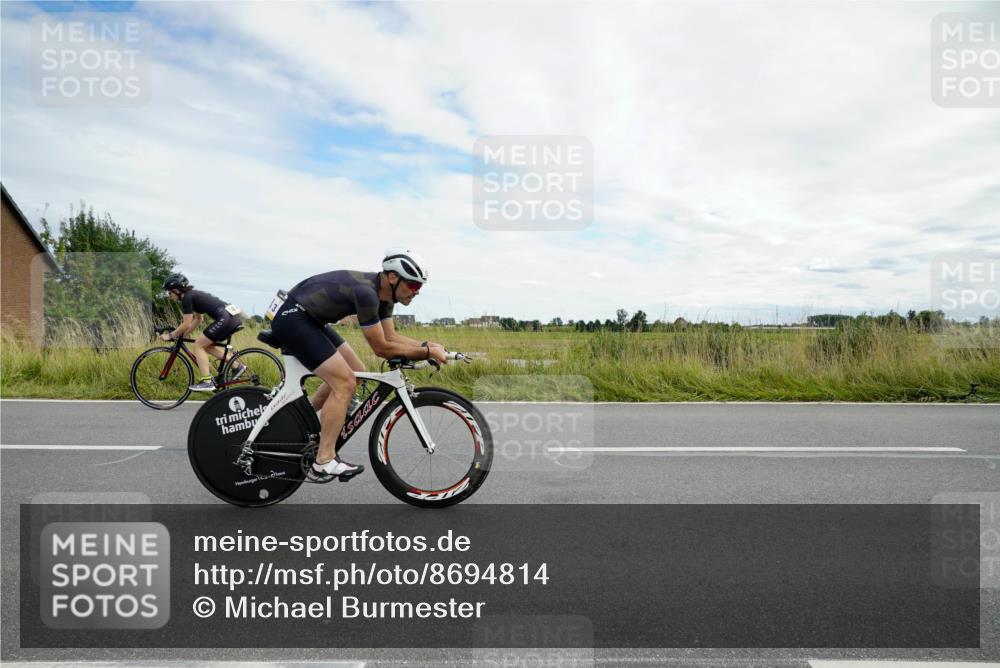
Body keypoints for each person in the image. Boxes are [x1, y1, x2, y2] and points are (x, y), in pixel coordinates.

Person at [269, 249, 448, 480]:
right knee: (344, 383)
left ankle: (302, 423)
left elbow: (391, 338)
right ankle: (323, 460)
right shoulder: (367, 293)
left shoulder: (386, 298)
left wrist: (427, 345)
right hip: (295, 318)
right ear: (393, 278)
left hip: (312, 320)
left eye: (420, 287)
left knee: (358, 371)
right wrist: (425, 352)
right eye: (413, 285)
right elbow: (381, 348)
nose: (417, 292)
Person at [161, 274, 246, 391]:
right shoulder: (192, 295)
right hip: (231, 317)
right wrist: (183, 335)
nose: (169, 295)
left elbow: (186, 323)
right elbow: (198, 320)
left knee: (197, 345)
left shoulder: (187, 298)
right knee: (205, 346)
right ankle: (236, 365)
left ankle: (207, 381)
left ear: (176, 291)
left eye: (169, 292)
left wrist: (171, 335)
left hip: (226, 318)